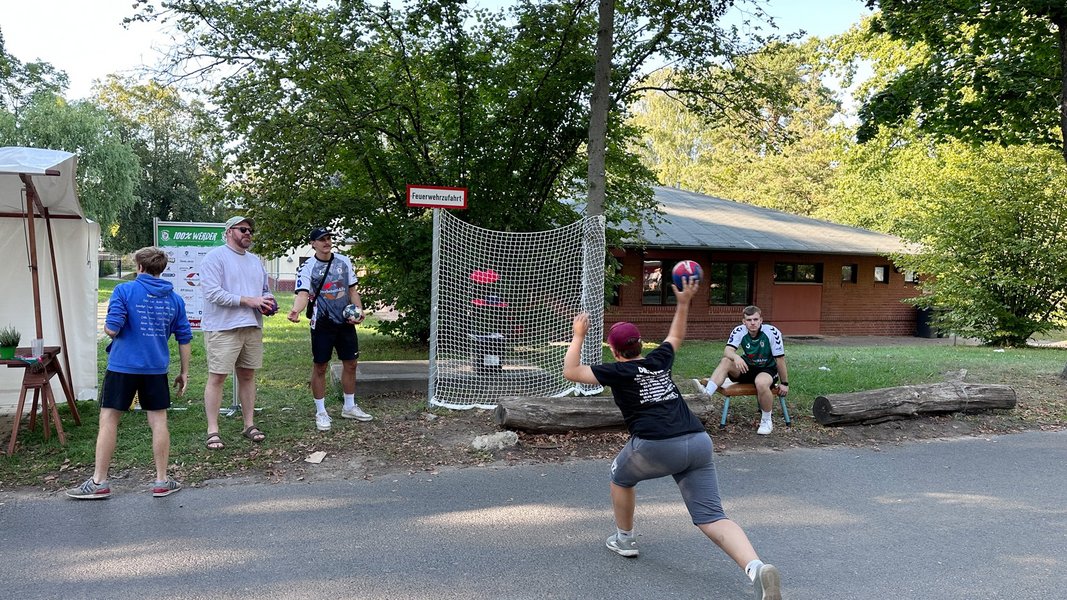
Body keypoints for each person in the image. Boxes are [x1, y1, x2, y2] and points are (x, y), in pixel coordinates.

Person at [562, 278, 782, 600]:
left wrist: (578, 335)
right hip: (697, 441)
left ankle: (625, 539)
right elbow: (675, 335)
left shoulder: (616, 371)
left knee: (620, 478)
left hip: (654, 447)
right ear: (639, 346)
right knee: (712, 517)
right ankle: (756, 568)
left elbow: (571, 371)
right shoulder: (658, 360)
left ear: (614, 349)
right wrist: (682, 302)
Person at [66, 247, 192, 499]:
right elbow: (184, 337)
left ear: (139, 267)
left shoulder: (124, 290)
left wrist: (111, 325)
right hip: (156, 369)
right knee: (158, 421)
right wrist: (184, 372)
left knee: (109, 419)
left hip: (122, 366)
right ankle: (161, 481)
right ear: (161, 269)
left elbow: (112, 329)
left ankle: (99, 482)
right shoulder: (175, 299)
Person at [200, 215, 275, 449]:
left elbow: (264, 290)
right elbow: (212, 293)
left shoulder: (255, 261)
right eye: (243, 229)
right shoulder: (215, 257)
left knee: (247, 375)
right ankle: (213, 430)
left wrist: (268, 302)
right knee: (218, 377)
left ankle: (249, 424)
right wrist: (248, 301)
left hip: (251, 326)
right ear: (229, 232)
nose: (248, 233)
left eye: (250, 230)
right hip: (223, 327)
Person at [287, 227, 372, 431]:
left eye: (328, 238)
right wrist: (296, 311)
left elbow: (352, 290)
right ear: (313, 244)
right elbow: (303, 294)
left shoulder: (344, 261)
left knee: (351, 363)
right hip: (322, 323)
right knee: (320, 366)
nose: (326, 242)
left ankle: (349, 407)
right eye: (321, 239)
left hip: (345, 322)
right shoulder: (308, 267)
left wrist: (359, 310)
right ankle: (321, 412)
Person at [691, 305, 790, 435]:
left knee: (761, 383)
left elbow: (780, 360)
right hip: (746, 367)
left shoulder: (772, 332)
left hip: (766, 369)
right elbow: (727, 351)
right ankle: (705, 396)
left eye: (755, 319)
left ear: (761, 320)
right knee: (726, 360)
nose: (753, 323)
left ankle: (766, 420)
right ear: (744, 322)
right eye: (749, 320)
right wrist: (736, 357)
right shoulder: (739, 330)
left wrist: (784, 383)